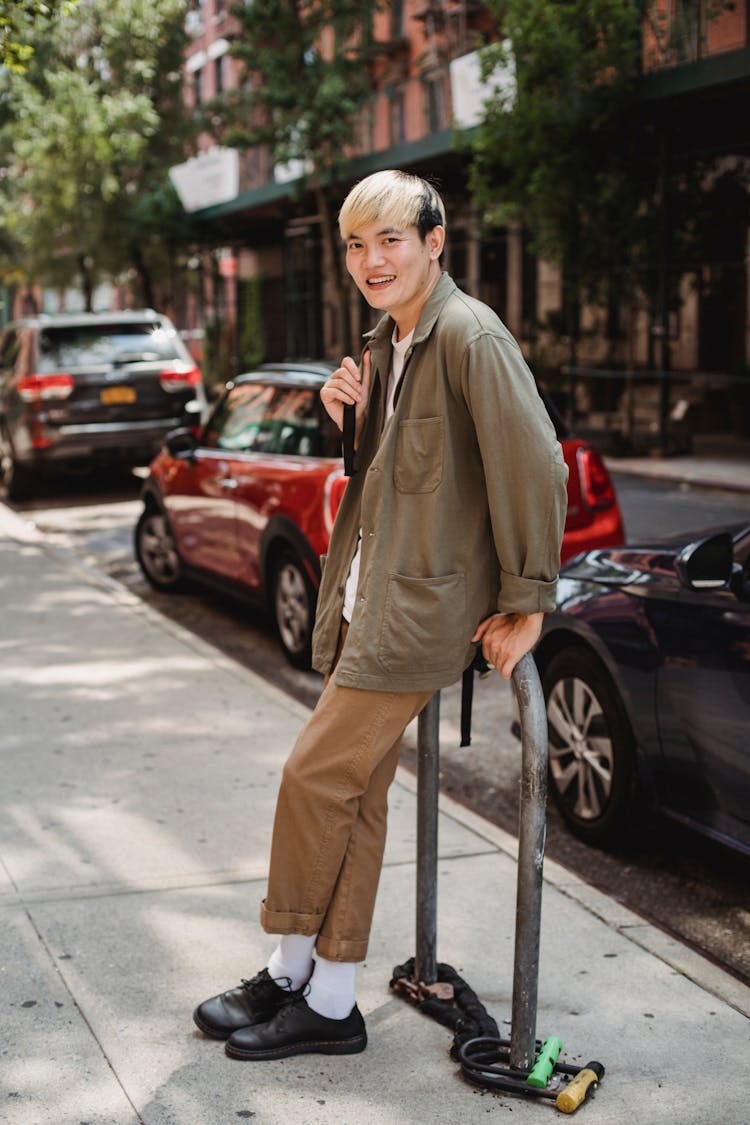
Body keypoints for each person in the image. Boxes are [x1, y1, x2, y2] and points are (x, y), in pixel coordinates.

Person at [193, 169, 568, 1062]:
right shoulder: (389, 341)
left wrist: (529, 603)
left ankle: (290, 969)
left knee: (312, 777)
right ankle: (326, 993)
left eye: (390, 238)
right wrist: (347, 421)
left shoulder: (471, 335)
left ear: (436, 241)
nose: (371, 259)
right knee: (353, 796)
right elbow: (403, 483)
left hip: (418, 612)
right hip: (369, 597)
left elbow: (538, 467)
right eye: (356, 245)